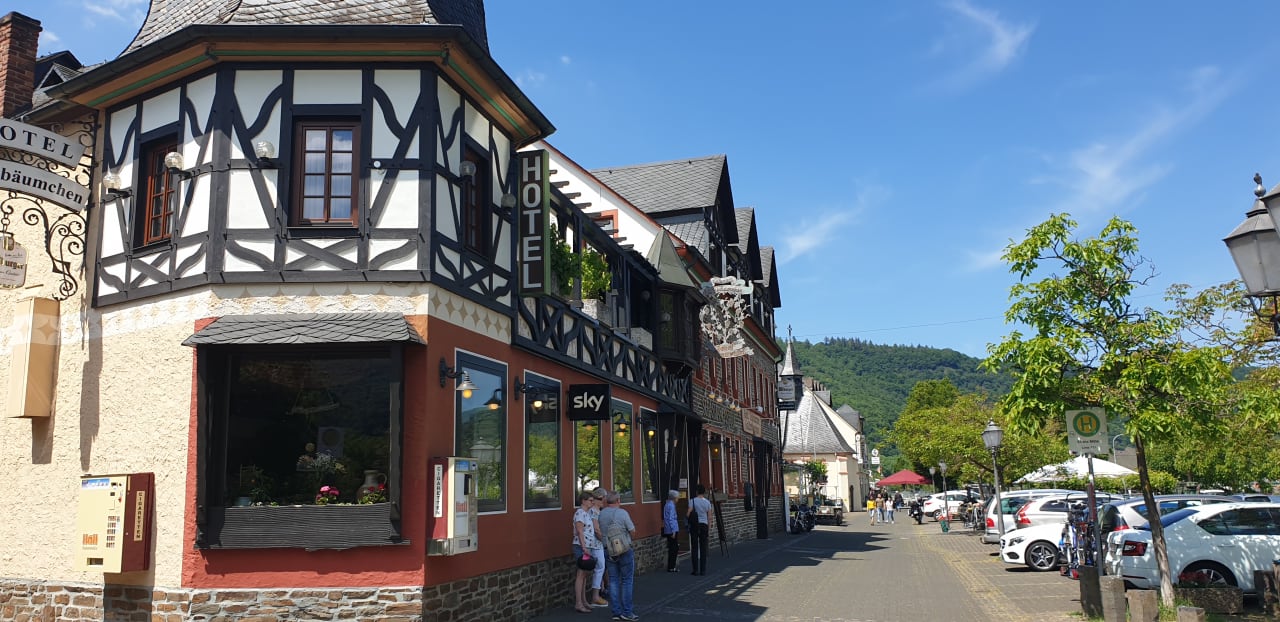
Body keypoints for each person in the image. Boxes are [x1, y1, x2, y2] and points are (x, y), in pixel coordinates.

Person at [598, 491, 638, 621]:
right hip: (624, 549)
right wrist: (629, 540)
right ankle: (627, 612)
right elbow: (632, 531)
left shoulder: (601, 514)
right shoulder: (623, 513)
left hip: (608, 549)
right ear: (618, 500)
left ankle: (616, 612)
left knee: (613, 580)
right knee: (627, 581)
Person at [571, 491, 598, 614]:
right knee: (581, 574)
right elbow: (580, 531)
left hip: (588, 546)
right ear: (583, 501)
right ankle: (578, 603)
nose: (592, 502)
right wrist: (584, 548)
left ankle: (583, 600)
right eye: (590, 500)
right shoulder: (580, 514)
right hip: (582, 547)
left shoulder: (587, 513)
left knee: (585, 574)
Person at [588, 488, 608, 607]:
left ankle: (598, 593)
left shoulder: (597, 510)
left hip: (596, 543)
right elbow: (596, 529)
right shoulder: (594, 511)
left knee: (600, 567)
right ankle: (595, 596)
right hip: (595, 544)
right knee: (600, 567)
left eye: (603, 498)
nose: (603, 501)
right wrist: (604, 540)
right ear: (594, 499)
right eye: (600, 499)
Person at [688, 485, 713, 576]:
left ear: (697, 491)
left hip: (695, 525)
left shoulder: (692, 501)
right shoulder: (707, 502)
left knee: (694, 547)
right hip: (704, 525)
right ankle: (703, 570)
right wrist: (709, 529)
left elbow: (688, 513)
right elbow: (710, 517)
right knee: (703, 548)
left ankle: (695, 570)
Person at [662, 490, 680, 572]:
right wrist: (673, 531)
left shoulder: (667, 504)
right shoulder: (671, 506)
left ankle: (671, 566)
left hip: (668, 529)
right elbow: (671, 519)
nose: (678, 499)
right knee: (674, 548)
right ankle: (672, 566)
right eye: (677, 498)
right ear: (674, 498)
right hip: (672, 529)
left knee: (672, 547)